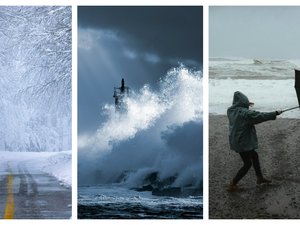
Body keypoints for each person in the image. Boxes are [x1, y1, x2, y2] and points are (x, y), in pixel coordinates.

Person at [227, 91, 282, 191]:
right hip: (242, 141)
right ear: (243, 102)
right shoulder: (244, 113)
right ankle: (233, 183)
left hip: (236, 140)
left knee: (254, 156)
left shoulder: (231, 111)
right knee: (247, 163)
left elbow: (248, 114)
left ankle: (259, 178)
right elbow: (259, 116)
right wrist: (275, 113)